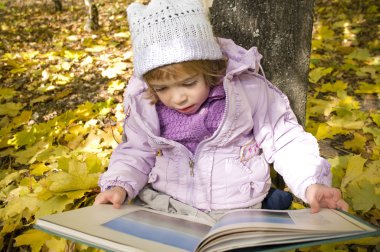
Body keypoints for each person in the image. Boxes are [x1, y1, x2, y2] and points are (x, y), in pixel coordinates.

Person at [94, 0, 348, 218]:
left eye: (189, 83)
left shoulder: (246, 93)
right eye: (162, 88)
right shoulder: (146, 106)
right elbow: (135, 152)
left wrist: (311, 184)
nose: (178, 97)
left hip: (238, 211)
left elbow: (285, 140)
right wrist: (119, 186)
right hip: (167, 207)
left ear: (210, 69)